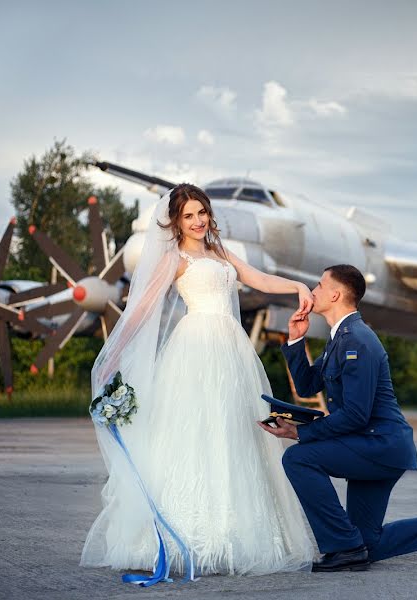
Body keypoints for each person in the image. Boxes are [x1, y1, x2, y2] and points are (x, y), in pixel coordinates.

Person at [81, 184, 316, 577]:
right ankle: (190, 536)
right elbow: (140, 310)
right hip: (195, 348)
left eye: (201, 212)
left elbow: (257, 278)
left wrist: (296, 286)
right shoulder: (174, 258)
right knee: (195, 434)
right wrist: (113, 354)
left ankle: (238, 533)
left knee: (236, 434)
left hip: (232, 350)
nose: (197, 221)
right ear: (176, 220)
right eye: (188, 215)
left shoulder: (221, 252)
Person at [258, 264, 417, 572]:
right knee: (367, 545)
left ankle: (341, 547)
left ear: (335, 294)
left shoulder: (357, 341)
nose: (314, 290)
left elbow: (356, 416)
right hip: (375, 445)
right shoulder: (341, 339)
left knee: (299, 459)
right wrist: (296, 341)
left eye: (320, 285)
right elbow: (309, 385)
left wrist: (300, 433)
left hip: (379, 446)